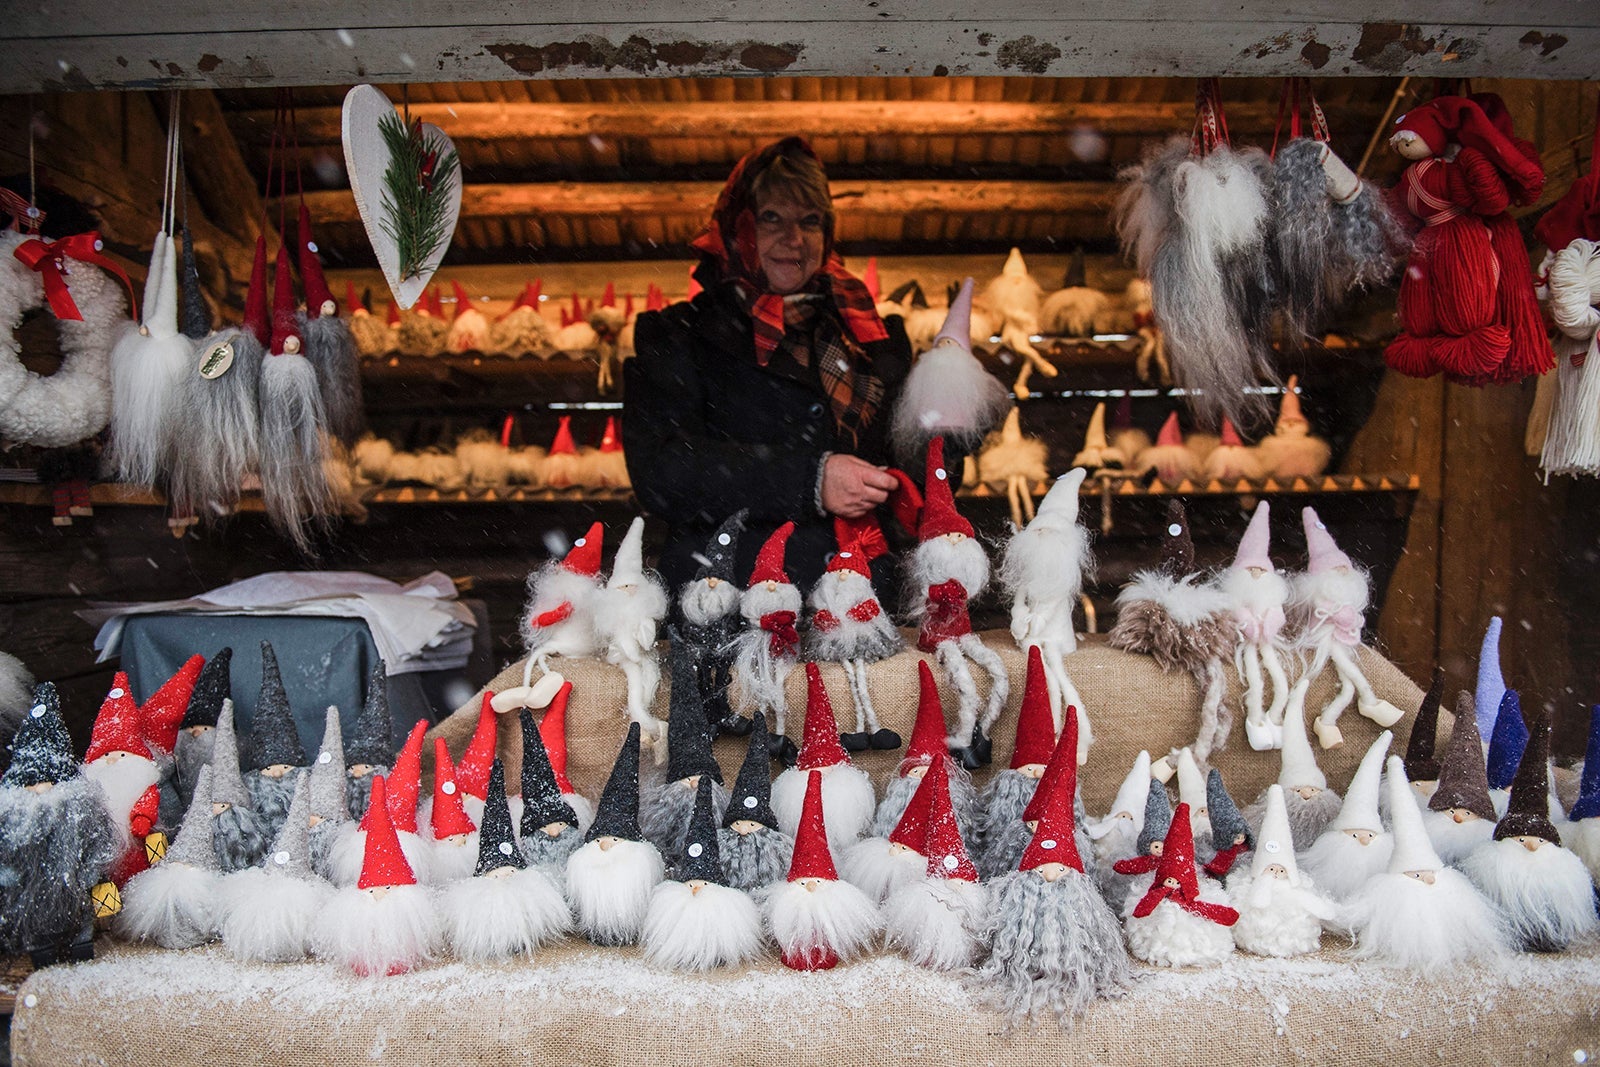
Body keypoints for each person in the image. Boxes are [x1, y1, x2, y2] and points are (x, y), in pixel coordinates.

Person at [625, 138, 961, 603]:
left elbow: (921, 480)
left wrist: (953, 424)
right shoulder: (680, 336)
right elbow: (663, 474)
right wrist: (810, 479)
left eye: (810, 221)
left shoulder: (870, 336)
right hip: (730, 599)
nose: (793, 238)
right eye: (771, 219)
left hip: (864, 598)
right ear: (736, 229)